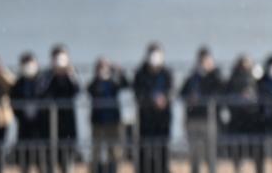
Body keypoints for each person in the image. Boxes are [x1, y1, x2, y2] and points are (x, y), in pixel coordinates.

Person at [180, 47, 224, 173]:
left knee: (211, 155)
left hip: (209, 119)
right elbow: (182, 93)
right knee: (195, 155)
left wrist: (213, 72)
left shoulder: (216, 76)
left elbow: (221, 92)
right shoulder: (192, 77)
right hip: (193, 120)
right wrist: (190, 98)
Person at [133, 43, 173, 173]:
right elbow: (138, 93)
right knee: (144, 150)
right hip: (146, 119)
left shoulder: (166, 73)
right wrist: (151, 100)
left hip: (163, 120)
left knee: (162, 149)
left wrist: (164, 99)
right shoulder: (140, 73)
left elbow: (171, 91)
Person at [87, 58, 129, 173]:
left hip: (113, 122)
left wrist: (120, 72)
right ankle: (96, 170)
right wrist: (97, 78)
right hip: (97, 122)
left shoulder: (113, 83)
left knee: (114, 150)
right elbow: (89, 90)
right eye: (100, 67)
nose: (103, 69)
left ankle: (112, 170)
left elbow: (126, 84)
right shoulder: (95, 83)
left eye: (105, 66)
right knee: (96, 150)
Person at [43, 45, 80, 173]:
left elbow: (77, 90)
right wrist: (53, 73)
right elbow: (42, 92)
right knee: (50, 162)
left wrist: (70, 73)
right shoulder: (47, 75)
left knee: (67, 162)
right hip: (50, 126)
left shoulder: (71, 73)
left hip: (68, 125)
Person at [10, 52, 44, 173]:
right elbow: (13, 101)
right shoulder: (18, 83)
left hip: (40, 128)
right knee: (24, 162)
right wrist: (21, 114)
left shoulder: (43, 80)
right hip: (24, 127)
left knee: (42, 161)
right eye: (25, 63)